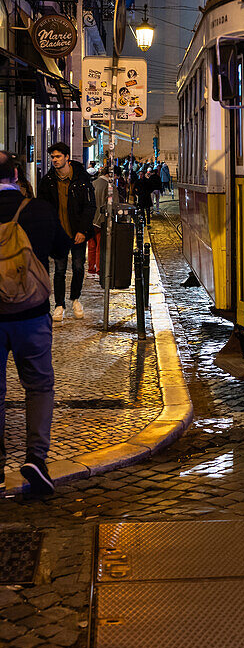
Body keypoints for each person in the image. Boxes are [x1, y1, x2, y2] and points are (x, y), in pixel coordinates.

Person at [0, 151, 69, 495]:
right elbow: (61, 249)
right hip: (31, 314)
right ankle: (36, 459)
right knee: (39, 387)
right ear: (16, 174)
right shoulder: (38, 209)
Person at [38, 142, 96, 321]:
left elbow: (90, 206)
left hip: (77, 232)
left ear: (67, 157)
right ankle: (59, 305)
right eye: (53, 157)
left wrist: (83, 231)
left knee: (78, 267)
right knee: (59, 270)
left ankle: (75, 299)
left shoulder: (81, 179)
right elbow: (43, 207)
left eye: (58, 157)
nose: (54, 160)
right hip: (59, 234)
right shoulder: (48, 181)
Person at [88, 168, 120, 275]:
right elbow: (115, 205)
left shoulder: (93, 183)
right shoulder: (110, 186)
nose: (116, 179)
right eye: (116, 176)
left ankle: (91, 267)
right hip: (102, 219)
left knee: (91, 245)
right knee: (100, 246)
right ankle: (99, 268)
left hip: (90, 219)